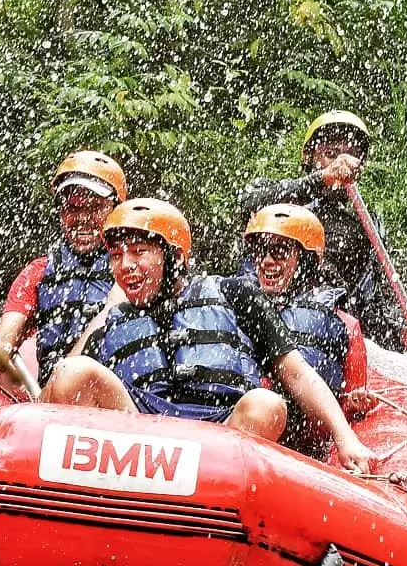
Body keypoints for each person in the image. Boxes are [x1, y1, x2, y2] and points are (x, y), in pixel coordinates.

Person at [41, 198, 379, 474]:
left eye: (139, 252)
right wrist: (105, 312)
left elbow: (297, 373)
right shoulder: (113, 320)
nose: (125, 265)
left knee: (266, 405)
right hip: (138, 437)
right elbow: (57, 390)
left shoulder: (236, 295)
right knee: (74, 372)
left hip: (222, 434)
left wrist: (344, 438)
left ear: (174, 257)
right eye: (116, 256)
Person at [238, 110, 407, 351]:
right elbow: (247, 203)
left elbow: (366, 309)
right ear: (309, 157)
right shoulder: (282, 200)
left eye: (351, 156)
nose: (341, 163)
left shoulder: (364, 228)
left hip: (318, 334)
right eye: (329, 155)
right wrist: (323, 179)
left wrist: (400, 334)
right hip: (260, 322)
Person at [0, 151, 127, 386]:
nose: (82, 218)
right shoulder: (38, 272)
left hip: (117, 402)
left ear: (116, 211)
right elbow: (8, 333)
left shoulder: (133, 269)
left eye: (95, 207)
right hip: (55, 405)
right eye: (72, 208)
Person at [244, 203, 379, 453]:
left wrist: (350, 405)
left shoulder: (345, 326)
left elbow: (352, 408)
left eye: (280, 252)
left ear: (305, 261)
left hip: (305, 454)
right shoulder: (236, 310)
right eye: (260, 251)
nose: (266, 261)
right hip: (246, 438)